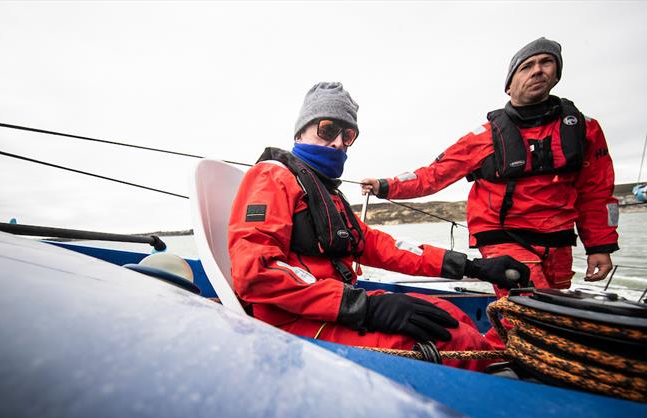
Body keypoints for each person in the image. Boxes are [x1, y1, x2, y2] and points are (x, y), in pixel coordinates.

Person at [227, 82, 529, 367]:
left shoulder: (326, 193)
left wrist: (471, 267)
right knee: (456, 340)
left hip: (335, 308)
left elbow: (382, 246)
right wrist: (365, 308)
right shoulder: (272, 177)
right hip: (291, 322)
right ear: (300, 133)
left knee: (451, 314)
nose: (336, 142)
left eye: (347, 135)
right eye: (327, 129)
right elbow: (256, 270)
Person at [361, 37, 619, 298]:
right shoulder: (483, 137)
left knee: (550, 310)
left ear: (557, 74)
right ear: (509, 85)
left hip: (558, 242)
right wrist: (386, 185)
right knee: (531, 307)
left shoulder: (585, 130)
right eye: (527, 66)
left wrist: (600, 245)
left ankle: (498, 338)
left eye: (546, 63)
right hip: (502, 236)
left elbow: (596, 193)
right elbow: (434, 174)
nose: (538, 70)